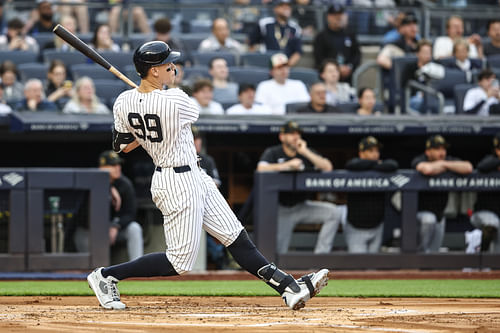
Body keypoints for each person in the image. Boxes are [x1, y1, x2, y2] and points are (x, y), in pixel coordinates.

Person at [86, 41, 328, 311]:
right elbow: (191, 113)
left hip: (195, 175)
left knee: (235, 236)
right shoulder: (175, 98)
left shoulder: (123, 101)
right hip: (175, 181)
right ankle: (106, 276)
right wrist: (153, 105)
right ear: (153, 71)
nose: (174, 68)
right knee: (180, 263)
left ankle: (287, 287)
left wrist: (141, 112)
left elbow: (122, 145)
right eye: (168, 64)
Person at [257, 120, 344, 254]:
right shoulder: (274, 152)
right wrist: (287, 165)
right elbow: (261, 169)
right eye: (291, 133)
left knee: (334, 213)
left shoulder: (306, 153)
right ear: (282, 137)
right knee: (279, 252)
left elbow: (327, 167)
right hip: (282, 209)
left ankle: (320, 257)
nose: (295, 137)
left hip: (302, 206)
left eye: (298, 134)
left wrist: (305, 152)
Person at [74, 150, 144, 261]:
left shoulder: (124, 184)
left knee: (134, 228)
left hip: (113, 231)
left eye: (118, 164)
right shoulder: (89, 182)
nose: (118, 167)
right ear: (102, 168)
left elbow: (130, 213)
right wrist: (107, 186)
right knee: (92, 262)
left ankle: (137, 266)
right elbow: (83, 217)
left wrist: (115, 225)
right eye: (112, 165)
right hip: (90, 232)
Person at [411, 135, 473, 253]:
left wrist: (444, 164)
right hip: (419, 215)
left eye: (443, 149)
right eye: (437, 149)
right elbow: (427, 169)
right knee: (429, 220)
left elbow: (468, 167)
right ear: (428, 152)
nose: (442, 152)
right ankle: (418, 259)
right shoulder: (420, 158)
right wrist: (446, 166)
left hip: (440, 214)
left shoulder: (447, 160)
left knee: (434, 252)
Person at [344, 137, 398, 253]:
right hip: (356, 227)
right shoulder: (355, 166)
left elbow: (393, 165)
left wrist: (374, 165)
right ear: (361, 153)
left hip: (377, 226)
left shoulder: (383, 167)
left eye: (377, 151)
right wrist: (376, 164)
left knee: (373, 267)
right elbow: (352, 164)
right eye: (371, 151)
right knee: (358, 266)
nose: (375, 154)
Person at [313, 4, 360, 83]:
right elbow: (319, 58)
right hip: (327, 80)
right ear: (328, 17)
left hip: (347, 78)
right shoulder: (321, 36)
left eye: (340, 15)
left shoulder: (350, 34)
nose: (338, 18)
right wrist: (336, 69)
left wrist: (349, 67)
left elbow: (356, 54)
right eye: (335, 15)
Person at [248, 0, 303, 67]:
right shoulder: (265, 23)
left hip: (285, 66)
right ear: (275, 9)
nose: (286, 8)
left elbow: (298, 52)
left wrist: (285, 67)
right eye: (282, 6)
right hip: (266, 64)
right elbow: (251, 42)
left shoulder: (295, 28)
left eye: (288, 6)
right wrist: (255, 62)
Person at [473, 132, 500, 252]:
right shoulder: (490, 160)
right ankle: (482, 254)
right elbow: (482, 166)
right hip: (484, 213)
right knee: (492, 223)